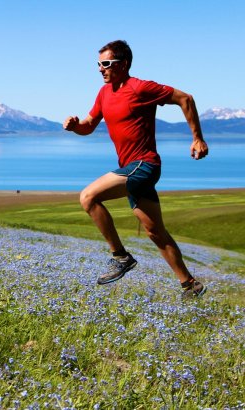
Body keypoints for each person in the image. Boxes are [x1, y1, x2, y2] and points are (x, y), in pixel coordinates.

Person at [63, 40, 209, 298]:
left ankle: (120, 257)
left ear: (124, 64)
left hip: (144, 165)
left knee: (88, 197)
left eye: (106, 64)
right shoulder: (104, 93)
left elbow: (185, 98)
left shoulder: (141, 87)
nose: (100, 69)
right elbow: (88, 125)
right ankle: (190, 285)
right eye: (98, 64)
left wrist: (197, 137)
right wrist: (76, 126)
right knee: (155, 232)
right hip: (132, 167)